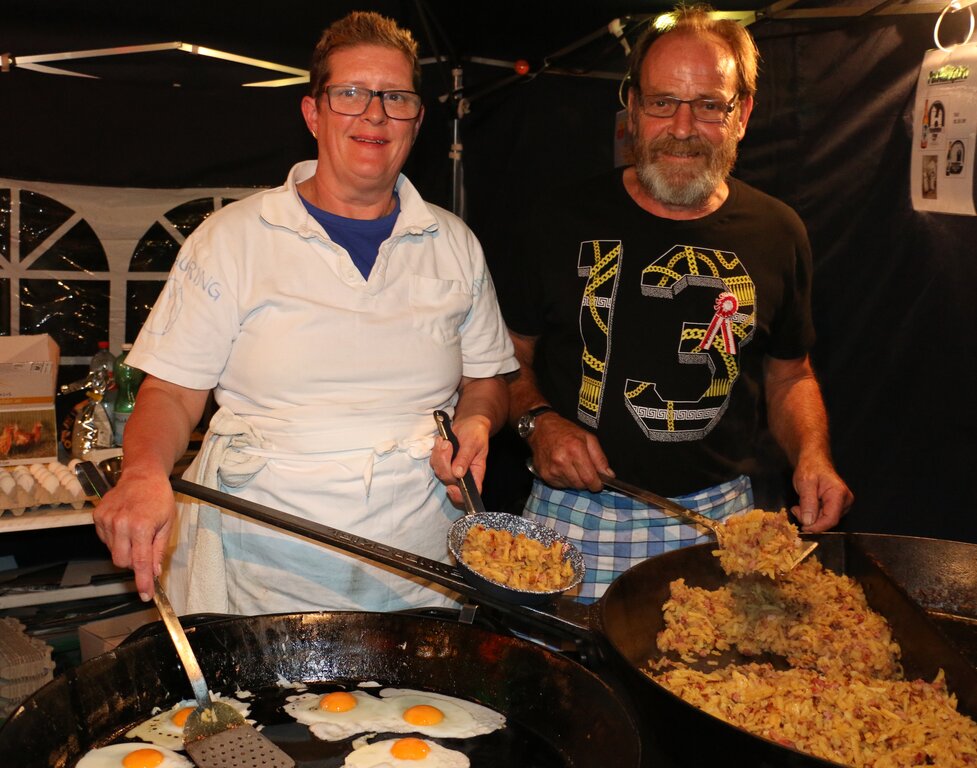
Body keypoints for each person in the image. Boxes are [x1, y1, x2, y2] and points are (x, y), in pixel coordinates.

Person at [93, 11, 517, 615]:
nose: (374, 114)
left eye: (395, 98)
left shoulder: (454, 242)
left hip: (418, 559)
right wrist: (141, 474)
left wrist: (476, 424)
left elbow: (487, 380)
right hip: (264, 558)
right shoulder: (233, 238)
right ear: (312, 113)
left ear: (417, 121)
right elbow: (172, 392)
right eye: (350, 94)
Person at [499, 4, 853, 602]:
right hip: (572, 520)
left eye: (709, 105)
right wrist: (539, 423)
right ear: (633, 109)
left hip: (720, 526)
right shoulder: (555, 220)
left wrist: (814, 457)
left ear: (741, 113)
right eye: (663, 102)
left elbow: (789, 372)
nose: (683, 127)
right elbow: (504, 361)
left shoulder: (778, 231)